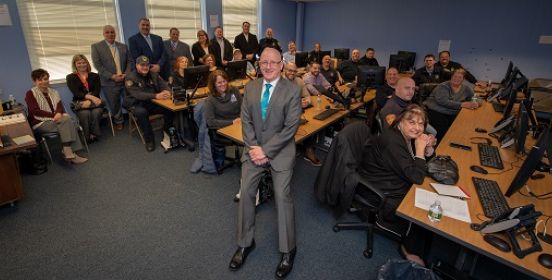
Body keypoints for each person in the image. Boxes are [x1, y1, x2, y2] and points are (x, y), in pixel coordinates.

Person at [229, 47, 301, 279]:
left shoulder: (292, 90)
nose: (268, 66)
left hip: (279, 151)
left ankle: (288, 249)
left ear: (282, 64)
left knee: (282, 196)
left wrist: (266, 151)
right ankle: (244, 243)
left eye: (273, 62)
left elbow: (291, 128)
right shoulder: (250, 87)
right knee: (246, 194)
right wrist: (254, 149)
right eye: (264, 63)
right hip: (253, 151)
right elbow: (246, 121)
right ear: (259, 65)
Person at [359, 104, 435, 267]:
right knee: (418, 205)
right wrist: (421, 150)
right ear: (400, 123)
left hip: (390, 177)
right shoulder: (393, 142)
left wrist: (426, 149)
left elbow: (413, 164)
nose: (417, 127)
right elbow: (416, 176)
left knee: (427, 193)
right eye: (412, 122)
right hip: (379, 188)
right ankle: (409, 248)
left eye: (421, 123)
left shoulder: (404, 137)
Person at [25, 69, 88, 164]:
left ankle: (68, 150)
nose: (43, 82)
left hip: (58, 120)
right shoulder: (30, 93)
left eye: (45, 79)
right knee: (69, 122)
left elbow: (60, 107)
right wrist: (55, 115)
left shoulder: (54, 92)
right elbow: (35, 111)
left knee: (67, 122)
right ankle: (70, 151)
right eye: (40, 80)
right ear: (35, 81)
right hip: (40, 123)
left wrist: (58, 113)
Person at [124, 56, 175, 152]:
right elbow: (138, 95)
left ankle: (167, 132)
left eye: (147, 65)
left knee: (169, 108)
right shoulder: (130, 78)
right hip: (136, 103)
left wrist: (168, 92)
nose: (145, 67)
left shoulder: (153, 74)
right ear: (136, 65)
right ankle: (149, 140)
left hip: (152, 102)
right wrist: (156, 96)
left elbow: (164, 85)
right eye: (142, 65)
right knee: (142, 113)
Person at [91, 25, 133, 131]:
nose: (110, 34)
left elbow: (130, 61)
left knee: (130, 100)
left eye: (112, 32)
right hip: (109, 82)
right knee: (114, 103)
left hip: (124, 79)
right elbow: (98, 66)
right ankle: (119, 121)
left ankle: (134, 118)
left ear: (115, 33)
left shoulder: (123, 46)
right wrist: (112, 76)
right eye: (107, 32)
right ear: (104, 34)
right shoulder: (96, 47)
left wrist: (126, 74)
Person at [203, 70, 242, 171]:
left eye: (224, 81)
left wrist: (242, 118)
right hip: (221, 129)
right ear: (213, 84)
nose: (223, 84)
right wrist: (232, 122)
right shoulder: (210, 101)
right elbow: (210, 122)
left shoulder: (234, 90)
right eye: (219, 82)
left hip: (238, 124)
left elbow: (243, 107)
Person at [424, 68, 479, 140]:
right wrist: (461, 104)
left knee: (462, 126)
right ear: (451, 77)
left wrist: (476, 103)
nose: (457, 79)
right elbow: (443, 101)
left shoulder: (466, 88)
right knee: (444, 131)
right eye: (455, 76)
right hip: (436, 111)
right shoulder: (443, 86)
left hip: (452, 112)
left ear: (463, 79)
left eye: (460, 77)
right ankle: (440, 146)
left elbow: (476, 98)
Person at [283, 62, 320, 166]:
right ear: (284, 70)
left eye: (294, 71)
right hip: (282, 116)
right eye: (290, 70)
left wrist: (306, 102)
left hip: (297, 113)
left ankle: (308, 150)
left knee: (312, 123)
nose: (292, 73)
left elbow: (307, 96)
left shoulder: (299, 81)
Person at [66, 54, 104, 142]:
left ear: (87, 63)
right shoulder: (70, 77)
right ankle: (87, 137)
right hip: (80, 102)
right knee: (85, 114)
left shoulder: (95, 75)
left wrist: (89, 101)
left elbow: (96, 91)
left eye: (84, 62)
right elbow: (77, 93)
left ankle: (94, 134)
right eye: (79, 63)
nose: (82, 65)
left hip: (94, 103)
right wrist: (91, 98)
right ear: (75, 64)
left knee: (96, 112)